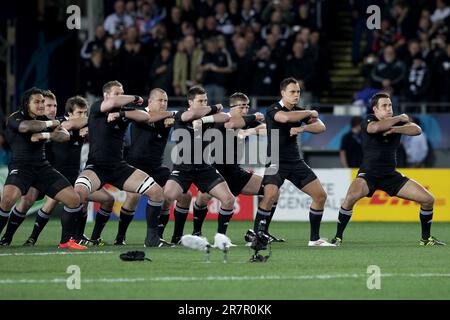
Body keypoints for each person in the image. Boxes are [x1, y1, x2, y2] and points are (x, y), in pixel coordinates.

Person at [331, 92, 445, 246]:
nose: (388, 108)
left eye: (390, 105)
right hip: (368, 174)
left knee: (428, 200)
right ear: (375, 110)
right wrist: (399, 118)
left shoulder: (396, 125)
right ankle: (338, 237)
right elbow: (374, 128)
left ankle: (426, 239)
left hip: (390, 176)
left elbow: (417, 130)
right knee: (351, 197)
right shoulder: (368, 120)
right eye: (384, 106)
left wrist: (396, 129)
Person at [70, 81, 168, 248]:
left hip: (119, 167)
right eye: (118, 93)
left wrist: (123, 115)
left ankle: (152, 239)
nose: (121, 97)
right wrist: (135, 97)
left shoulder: (123, 111)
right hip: (97, 167)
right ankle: (72, 237)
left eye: (122, 93)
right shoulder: (96, 108)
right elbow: (113, 103)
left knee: (157, 192)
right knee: (79, 192)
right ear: (106, 96)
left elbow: (146, 117)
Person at [89, 88, 191, 246]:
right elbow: (150, 117)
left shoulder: (167, 117)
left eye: (165, 101)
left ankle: (170, 237)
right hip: (135, 166)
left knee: (184, 196)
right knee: (133, 197)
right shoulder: (139, 112)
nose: (163, 103)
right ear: (150, 102)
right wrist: (172, 114)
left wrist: (175, 118)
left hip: (157, 168)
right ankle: (120, 237)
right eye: (160, 100)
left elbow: (184, 118)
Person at [15, 95, 115, 246]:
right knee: (47, 204)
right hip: (57, 177)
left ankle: (86, 237)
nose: (83, 116)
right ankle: (32, 238)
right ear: (69, 114)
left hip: (76, 177)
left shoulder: (84, 128)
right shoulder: (61, 123)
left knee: (106, 199)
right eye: (79, 113)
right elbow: (67, 127)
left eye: (85, 113)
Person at [190, 92, 284, 242]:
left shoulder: (246, 122)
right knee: (202, 199)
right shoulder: (221, 118)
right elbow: (229, 125)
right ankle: (197, 232)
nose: (245, 110)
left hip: (234, 171)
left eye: (247, 107)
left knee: (273, 191)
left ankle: (261, 232)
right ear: (231, 107)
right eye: (242, 107)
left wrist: (251, 130)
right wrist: (251, 122)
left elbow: (269, 129)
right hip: (215, 170)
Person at [0, 88, 84, 249]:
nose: (41, 105)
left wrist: (47, 135)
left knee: (74, 200)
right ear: (26, 103)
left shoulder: (43, 119)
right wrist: (52, 123)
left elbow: (65, 135)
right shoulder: (15, 117)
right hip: (21, 167)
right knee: (8, 200)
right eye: (37, 102)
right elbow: (25, 127)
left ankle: (66, 241)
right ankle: (5, 238)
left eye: (42, 102)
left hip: (42, 168)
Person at [256, 77, 334, 246]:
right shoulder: (273, 109)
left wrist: (303, 127)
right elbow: (284, 118)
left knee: (320, 196)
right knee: (269, 195)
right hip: (274, 161)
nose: (296, 95)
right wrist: (309, 112)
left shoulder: (299, 112)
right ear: (283, 93)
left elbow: (321, 127)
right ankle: (257, 235)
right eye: (292, 92)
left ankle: (314, 239)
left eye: (298, 91)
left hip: (295, 161)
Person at [163, 86, 236, 242]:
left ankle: (221, 239)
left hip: (204, 168)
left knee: (229, 200)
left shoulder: (208, 117)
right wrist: (212, 108)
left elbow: (226, 117)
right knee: (168, 195)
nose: (204, 103)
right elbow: (191, 114)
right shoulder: (182, 114)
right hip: (183, 168)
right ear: (190, 102)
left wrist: (205, 119)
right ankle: (175, 237)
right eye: (200, 101)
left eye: (206, 100)